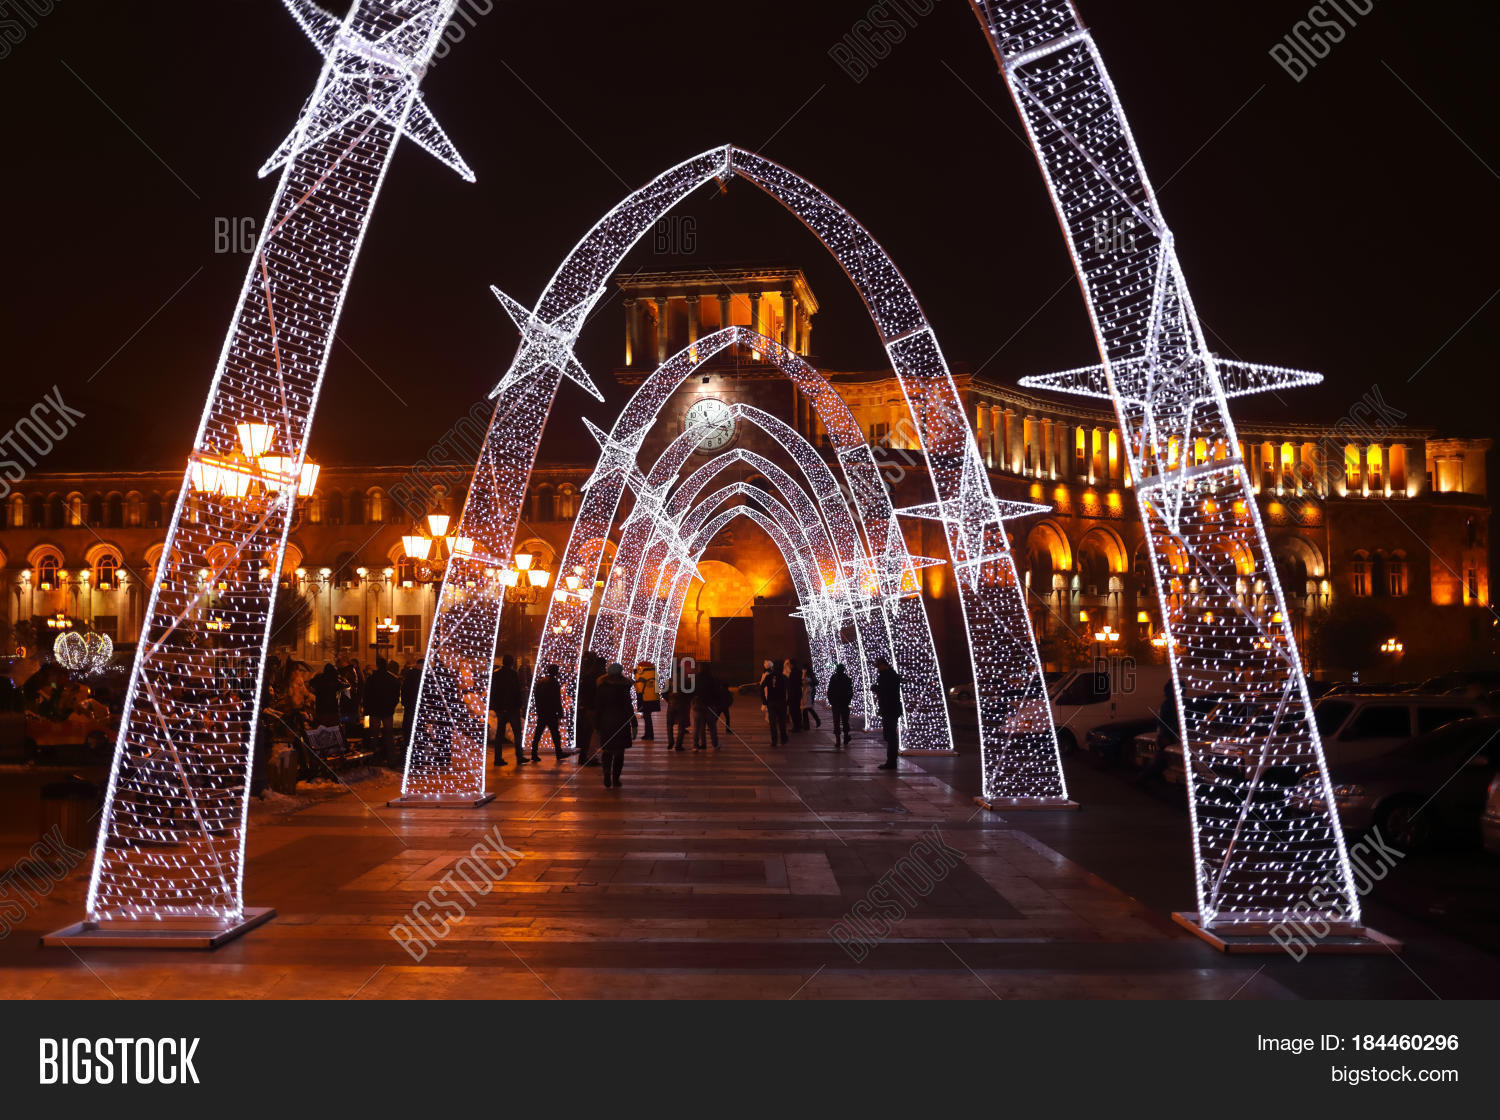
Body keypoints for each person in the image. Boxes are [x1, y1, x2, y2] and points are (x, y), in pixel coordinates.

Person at [595, 662, 636, 788]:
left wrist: (597, 724)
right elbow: (628, 707)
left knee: (607, 750)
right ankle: (616, 779)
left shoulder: (602, 687)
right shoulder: (624, 687)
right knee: (619, 752)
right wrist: (633, 723)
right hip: (621, 722)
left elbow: (598, 707)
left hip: (606, 722)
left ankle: (606, 772)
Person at [362, 658, 401, 766]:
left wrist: (367, 708)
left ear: (377, 665)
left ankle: (372, 758)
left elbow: (366, 695)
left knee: (373, 735)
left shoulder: (371, 679)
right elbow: (396, 695)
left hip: (374, 710)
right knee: (389, 735)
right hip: (387, 711)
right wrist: (391, 706)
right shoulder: (392, 679)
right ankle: (391, 759)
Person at [490, 654, 524, 766]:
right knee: (517, 733)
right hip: (512, 708)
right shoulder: (513, 674)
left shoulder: (496, 674)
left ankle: (498, 758)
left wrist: (495, 706)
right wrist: (519, 705)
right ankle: (519, 756)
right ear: (511, 663)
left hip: (501, 708)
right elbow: (517, 691)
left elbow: (493, 692)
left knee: (500, 734)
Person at [529, 664, 567, 761]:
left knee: (538, 733)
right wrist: (560, 711)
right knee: (555, 733)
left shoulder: (541, 682)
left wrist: (538, 708)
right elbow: (556, 699)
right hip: (551, 711)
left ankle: (534, 753)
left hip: (542, 711)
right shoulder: (554, 683)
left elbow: (536, 696)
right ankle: (558, 753)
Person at [871, 656, 903, 769]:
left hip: (889, 709)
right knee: (889, 735)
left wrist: (876, 688)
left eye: (878, 666)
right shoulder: (891, 675)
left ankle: (891, 762)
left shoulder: (886, 676)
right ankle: (891, 760)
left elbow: (886, 693)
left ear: (883, 665)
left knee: (890, 735)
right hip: (892, 709)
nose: (877, 669)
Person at [576, 652, 600, 766]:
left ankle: (585, 756)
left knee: (587, 733)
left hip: (586, 707)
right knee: (590, 733)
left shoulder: (584, 675)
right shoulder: (592, 677)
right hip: (591, 708)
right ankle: (587, 757)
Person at [663, 658, 692, 751]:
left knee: (669, 724)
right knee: (681, 725)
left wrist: (669, 700)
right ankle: (678, 745)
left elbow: (664, 693)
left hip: (671, 704)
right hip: (682, 705)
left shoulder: (669, 681)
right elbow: (691, 693)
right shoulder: (686, 681)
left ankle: (670, 742)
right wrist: (687, 701)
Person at [692, 663, 720, 751]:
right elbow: (716, 692)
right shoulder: (712, 678)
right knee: (712, 726)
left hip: (698, 704)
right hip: (709, 705)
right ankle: (715, 744)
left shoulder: (696, 678)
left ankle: (696, 745)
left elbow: (692, 690)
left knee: (698, 726)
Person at [760, 659, 787, 746]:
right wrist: (788, 701)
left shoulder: (768, 677)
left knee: (773, 722)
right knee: (782, 722)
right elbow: (790, 689)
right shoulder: (784, 677)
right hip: (781, 702)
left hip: (771, 702)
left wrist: (764, 700)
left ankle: (774, 740)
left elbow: (761, 687)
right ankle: (783, 739)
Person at [826, 663, 853, 747]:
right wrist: (848, 700)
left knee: (836, 721)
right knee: (845, 721)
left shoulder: (833, 678)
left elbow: (829, 690)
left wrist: (831, 701)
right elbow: (850, 692)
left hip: (836, 703)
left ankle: (838, 739)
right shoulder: (847, 679)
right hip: (844, 703)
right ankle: (845, 737)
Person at [633, 660, 659, 741]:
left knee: (647, 717)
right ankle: (648, 734)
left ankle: (649, 735)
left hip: (644, 698)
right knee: (648, 717)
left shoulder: (642, 674)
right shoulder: (653, 673)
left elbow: (639, 688)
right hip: (652, 698)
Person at [400, 658, 423, 742]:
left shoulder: (409, 674)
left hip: (409, 703)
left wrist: (404, 700)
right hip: (416, 703)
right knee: (415, 722)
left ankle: (407, 738)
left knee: (408, 721)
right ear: (421, 665)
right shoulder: (421, 675)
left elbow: (404, 688)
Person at [784, 659, 803, 731]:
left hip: (793, 694)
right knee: (797, 710)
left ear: (792, 665)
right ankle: (799, 725)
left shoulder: (793, 673)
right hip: (798, 693)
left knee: (793, 711)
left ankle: (796, 726)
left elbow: (790, 685)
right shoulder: (799, 671)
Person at [801, 660, 821, 729]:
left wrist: (808, 682)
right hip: (805, 692)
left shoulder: (810, 674)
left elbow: (815, 682)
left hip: (809, 692)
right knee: (808, 708)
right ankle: (816, 721)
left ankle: (807, 725)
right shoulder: (806, 673)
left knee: (806, 708)